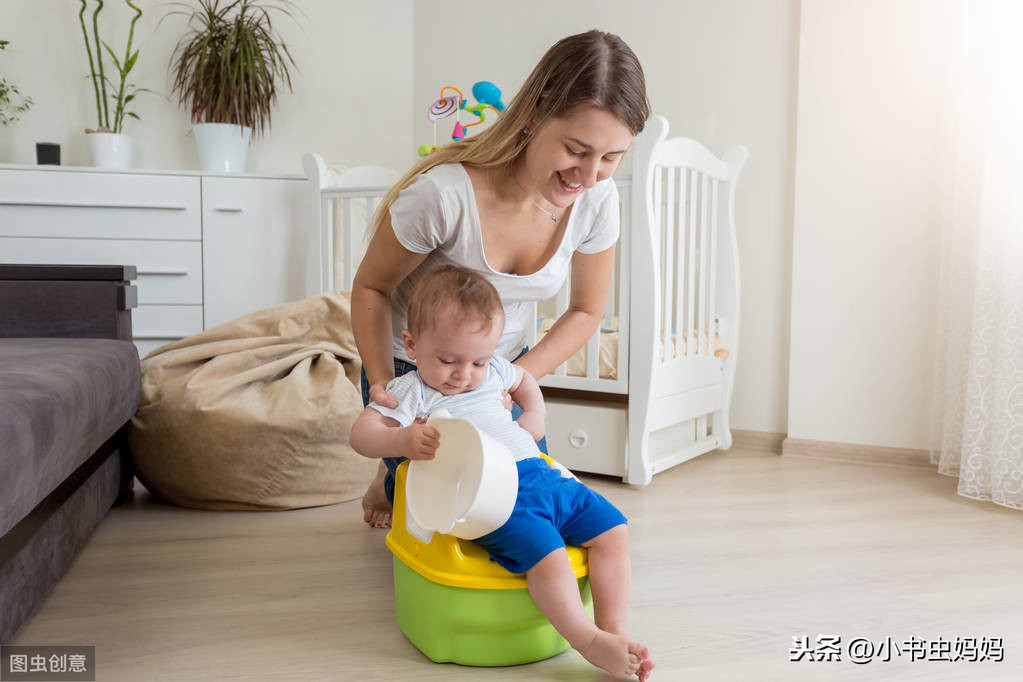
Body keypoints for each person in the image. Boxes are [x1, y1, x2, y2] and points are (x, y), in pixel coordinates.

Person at [352, 29, 650, 529]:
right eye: (576, 149)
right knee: (449, 515)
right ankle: (389, 472)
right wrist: (384, 388)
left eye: (612, 158)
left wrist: (514, 380)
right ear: (534, 117)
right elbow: (371, 288)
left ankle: (394, 473)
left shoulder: (599, 200)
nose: (590, 175)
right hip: (419, 367)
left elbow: (586, 310)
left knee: (524, 499)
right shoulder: (443, 196)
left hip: (498, 369)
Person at [350, 266, 654, 681]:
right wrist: (401, 441)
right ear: (412, 345)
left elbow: (524, 379)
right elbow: (362, 433)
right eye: (448, 360)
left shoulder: (493, 370)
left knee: (614, 530)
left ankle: (613, 629)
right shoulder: (412, 391)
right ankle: (587, 640)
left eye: (477, 360)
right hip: (490, 497)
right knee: (547, 554)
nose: (464, 373)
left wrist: (535, 413)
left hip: (542, 475)